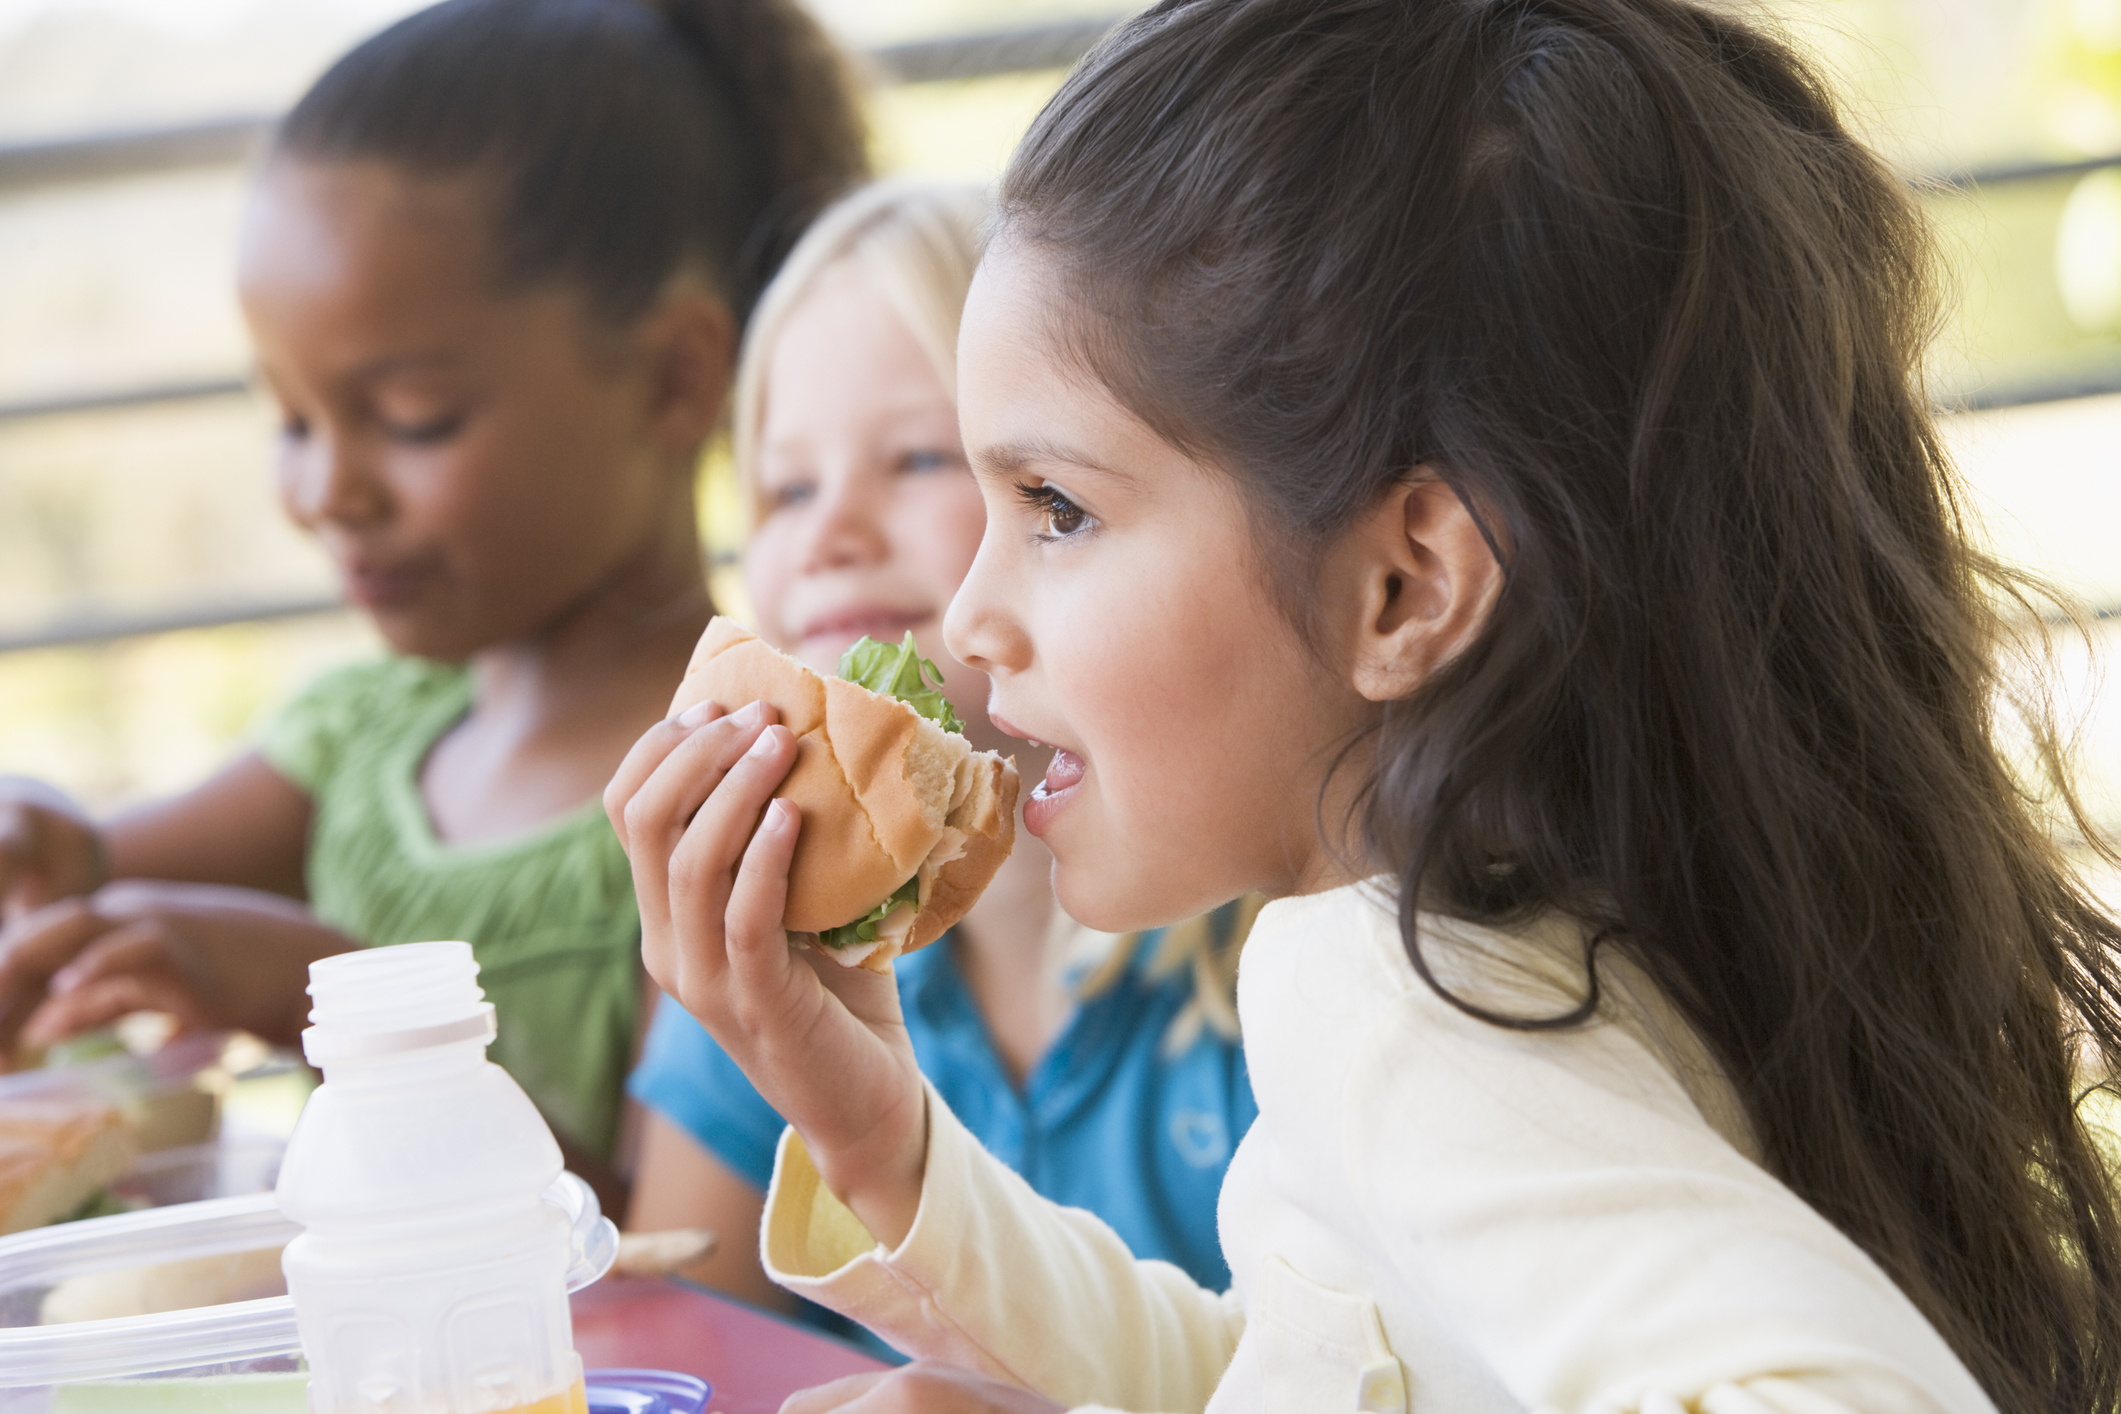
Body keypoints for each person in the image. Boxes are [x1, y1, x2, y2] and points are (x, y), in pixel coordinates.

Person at [606, 0, 2121, 1410]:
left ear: (1403, 587)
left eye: (1055, 504)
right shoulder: (1530, 930)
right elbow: (1297, 1362)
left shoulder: (1387, 991)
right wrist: (878, 1131)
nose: (971, 613)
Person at [0, 0, 867, 1201]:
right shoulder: (354, 738)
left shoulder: (743, 796)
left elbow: (670, 1251)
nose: (322, 489)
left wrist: (335, 994)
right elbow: (82, 884)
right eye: (293, 420)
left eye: (410, 419)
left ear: (675, 379)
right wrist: (39, 844)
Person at [623, 179, 1258, 1317]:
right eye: (785, 486)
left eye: (918, 459)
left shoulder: (1282, 940)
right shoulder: (766, 919)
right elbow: (679, 1333)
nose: (826, 535)